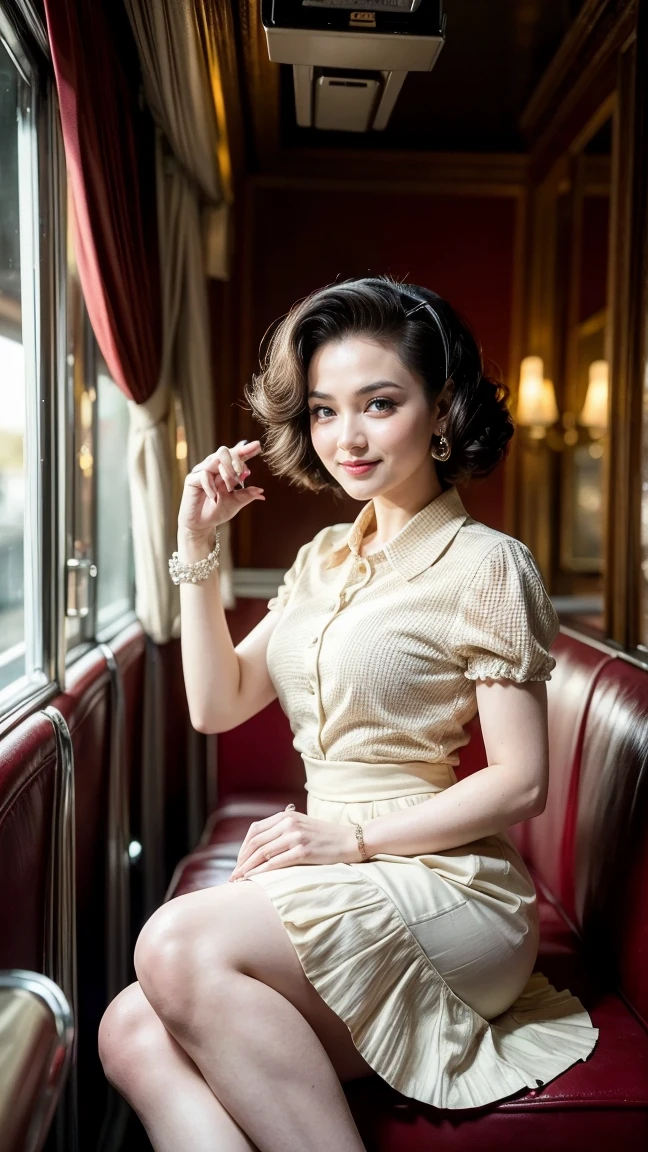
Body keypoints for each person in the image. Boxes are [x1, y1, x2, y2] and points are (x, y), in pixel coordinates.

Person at [98, 276, 599, 1152]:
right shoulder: (325, 554)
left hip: (446, 886)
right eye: (326, 412)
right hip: (331, 871)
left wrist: (355, 840)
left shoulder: (488, 563)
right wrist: (196, 547)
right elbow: (218, 706)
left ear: (441, 407)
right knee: (126, 1031)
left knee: (173, 944)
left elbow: (522, 783)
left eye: (379, 403)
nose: (348, 437)